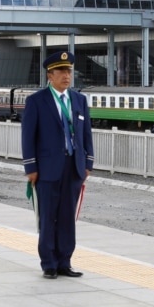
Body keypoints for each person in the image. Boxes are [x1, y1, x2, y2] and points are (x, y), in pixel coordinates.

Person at [21, 51, 95, 279]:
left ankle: (65, 261)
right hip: (46, 169)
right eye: (61, 71)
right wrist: (30, 168)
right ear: (49, 75)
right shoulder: (36, 101)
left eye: (69, 71)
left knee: (67, 218)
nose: (67, 76)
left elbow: (86, 134)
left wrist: (88, 162)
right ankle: (49, 264)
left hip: (73, 167)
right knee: (48, 216)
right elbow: (28, 136)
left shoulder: (79, 100)